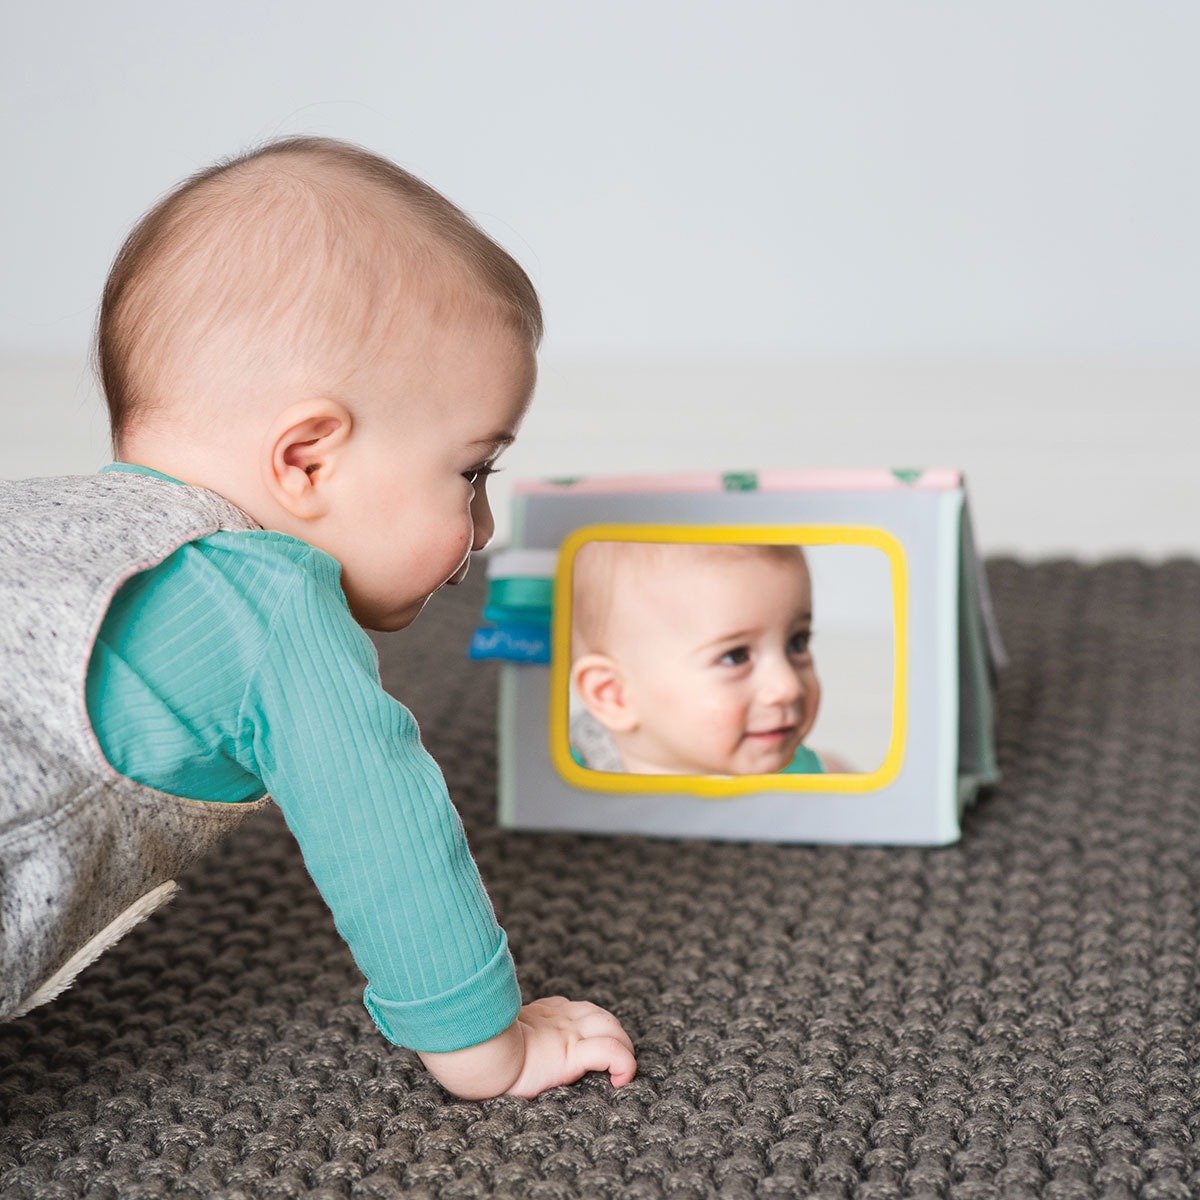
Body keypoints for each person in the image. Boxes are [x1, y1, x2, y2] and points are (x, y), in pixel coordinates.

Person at [0, 137, 635, 1101]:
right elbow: (385, 837)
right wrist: (489, 1048)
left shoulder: (39, 519)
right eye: (472, 472)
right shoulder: (272, 599)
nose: (484, 527)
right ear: (307, 460)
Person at [569, 541, 831, 776]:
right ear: (614, 694)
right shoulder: (562, 786)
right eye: (735, 657)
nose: (788, 686)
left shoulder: (799, 775)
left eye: (797, 643)